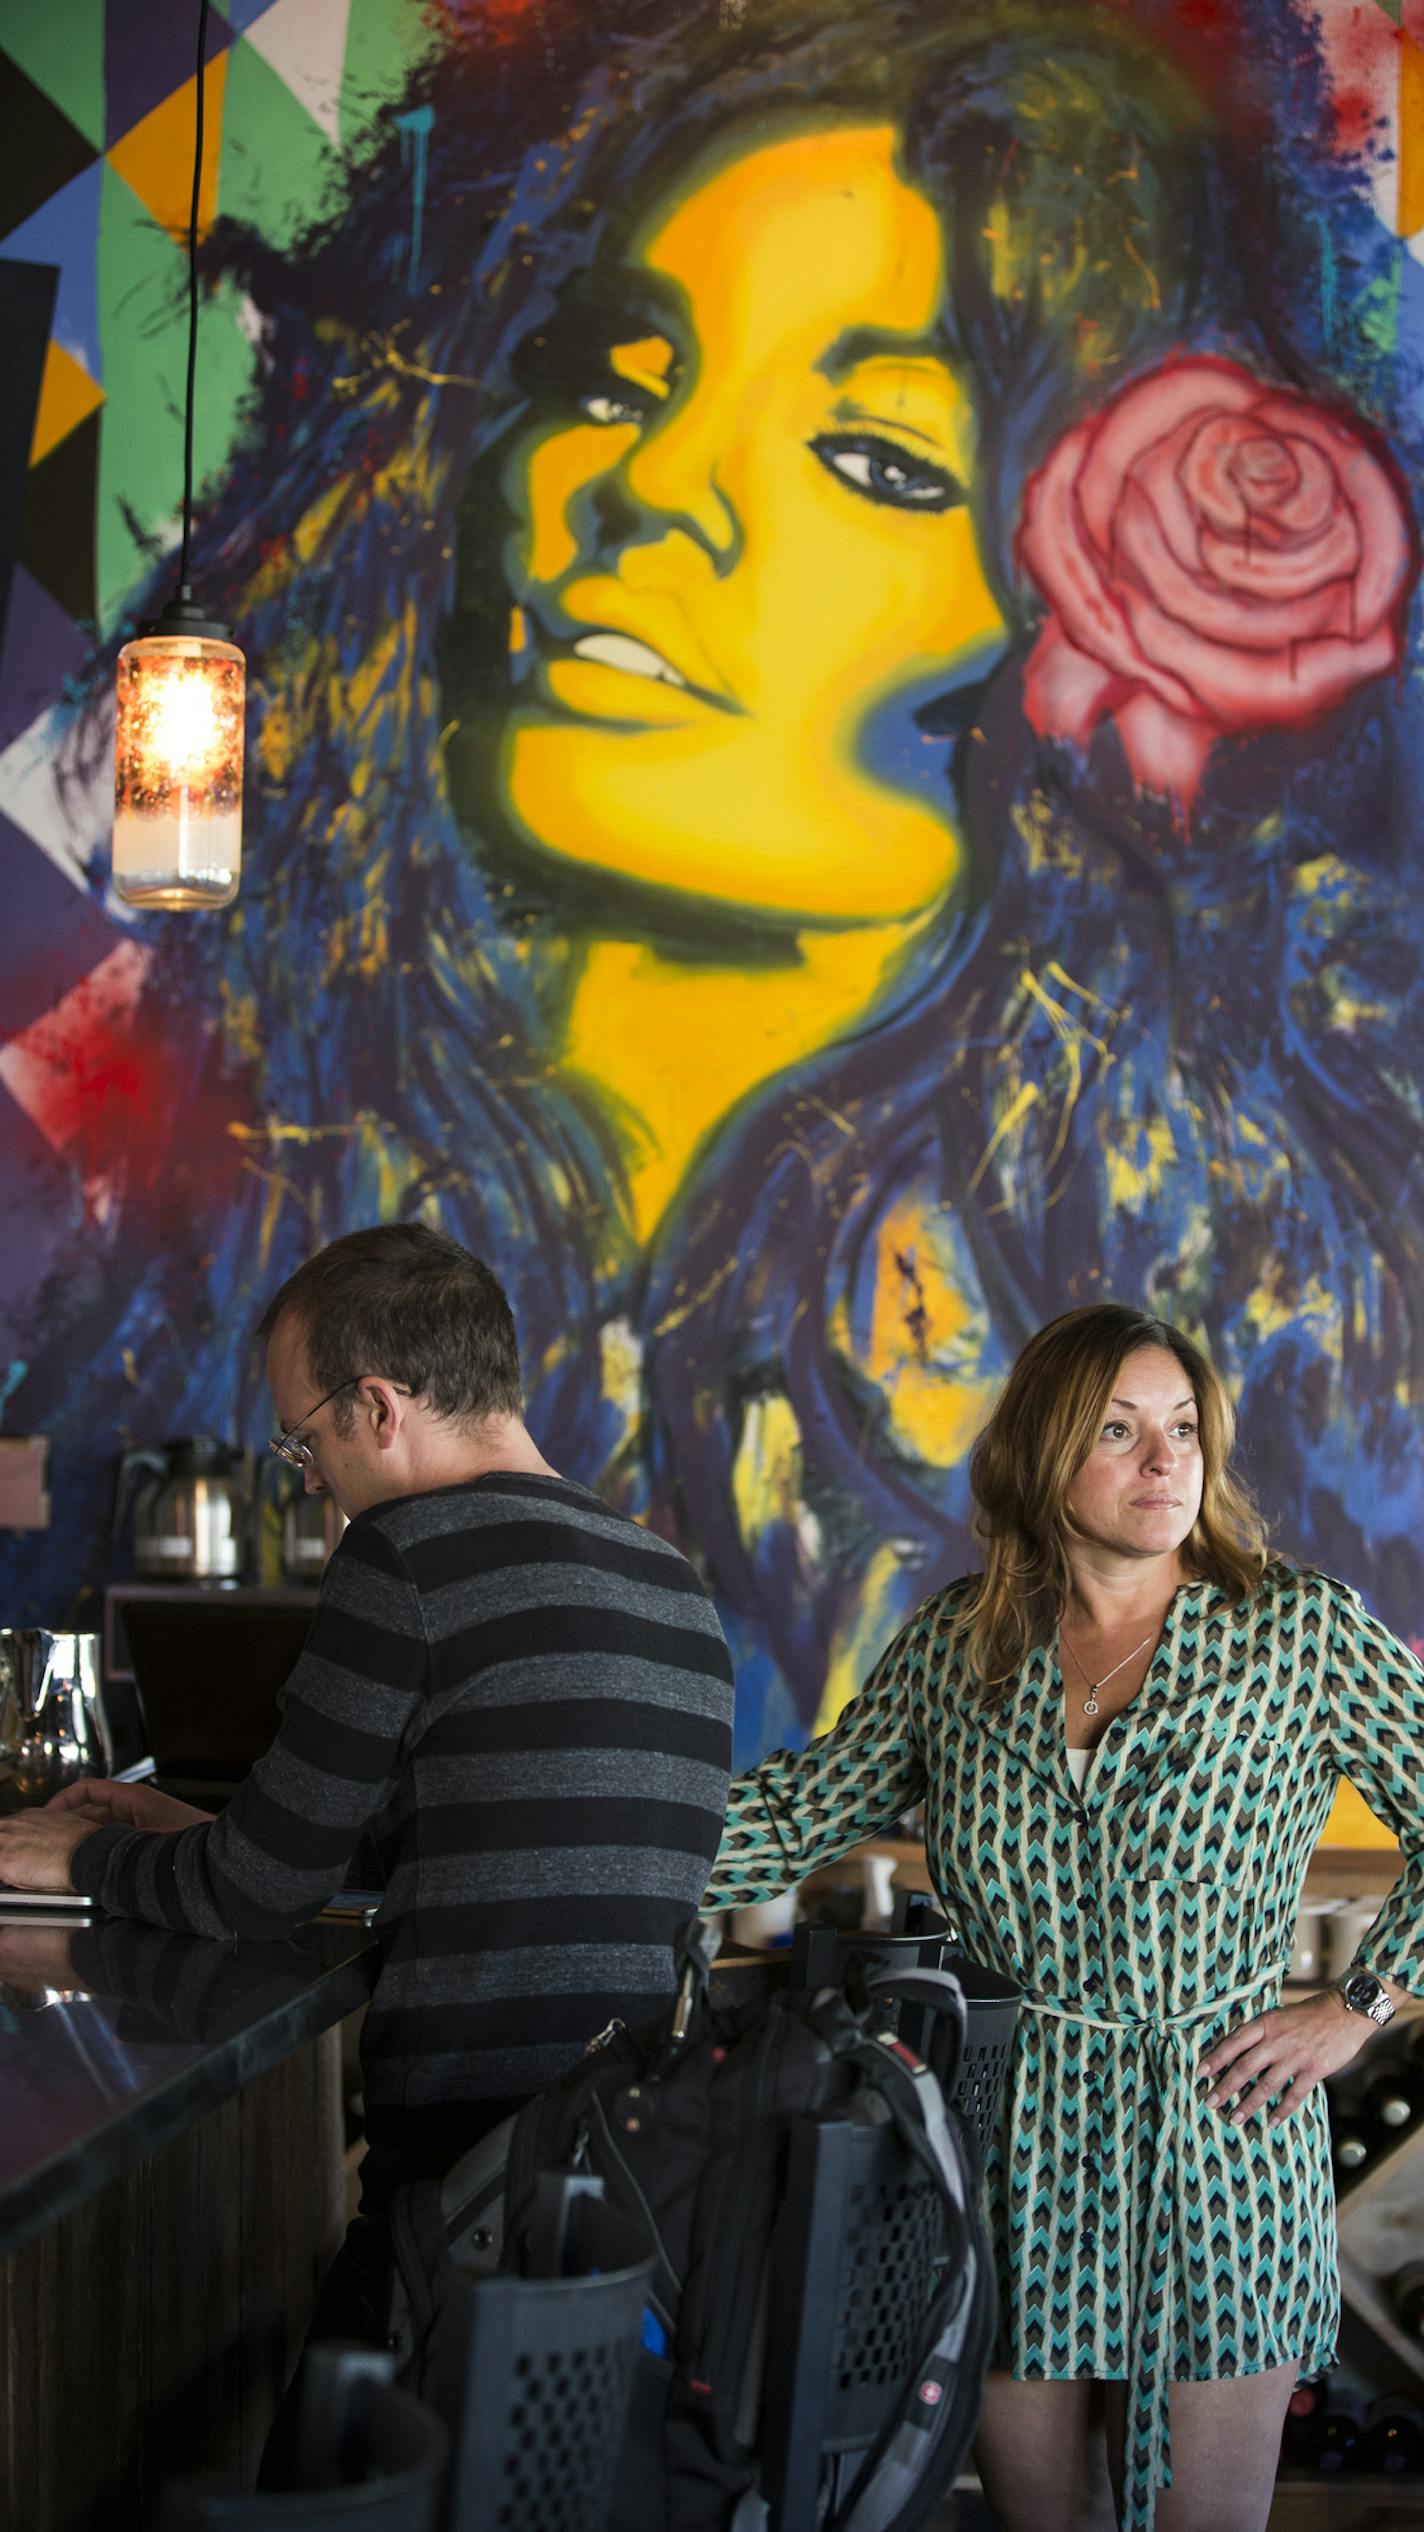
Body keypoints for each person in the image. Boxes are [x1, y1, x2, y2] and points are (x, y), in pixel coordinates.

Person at [4, 0, 1420, 1776]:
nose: (642, 487)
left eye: (876, 456)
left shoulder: (1138, 1399)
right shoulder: (234, 1240)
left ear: (1064, 656)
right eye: (613, 373)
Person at [706, 1301, 1424, 2532]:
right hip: (1010, 2144)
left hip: (1221, 2140)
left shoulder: (1296, 1633)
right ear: (1043, 1452)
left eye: (1184, 1428)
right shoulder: (958, 1648)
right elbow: (786, 1816)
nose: (1165, 1461)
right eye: (1118, 1429)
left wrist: (1352, 2011)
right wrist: (576, 1844)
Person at [0, 1222, 733, 2290]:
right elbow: (490, 1848)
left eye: (303, 1445)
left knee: (318, 2448)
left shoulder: (403, 1556)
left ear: (380, 1407)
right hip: (628, 2184)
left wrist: (71, 1859)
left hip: (463, 2197)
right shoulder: (669, 1583)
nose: (311, 1484)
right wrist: (214, 1834)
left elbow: (256, 1899)